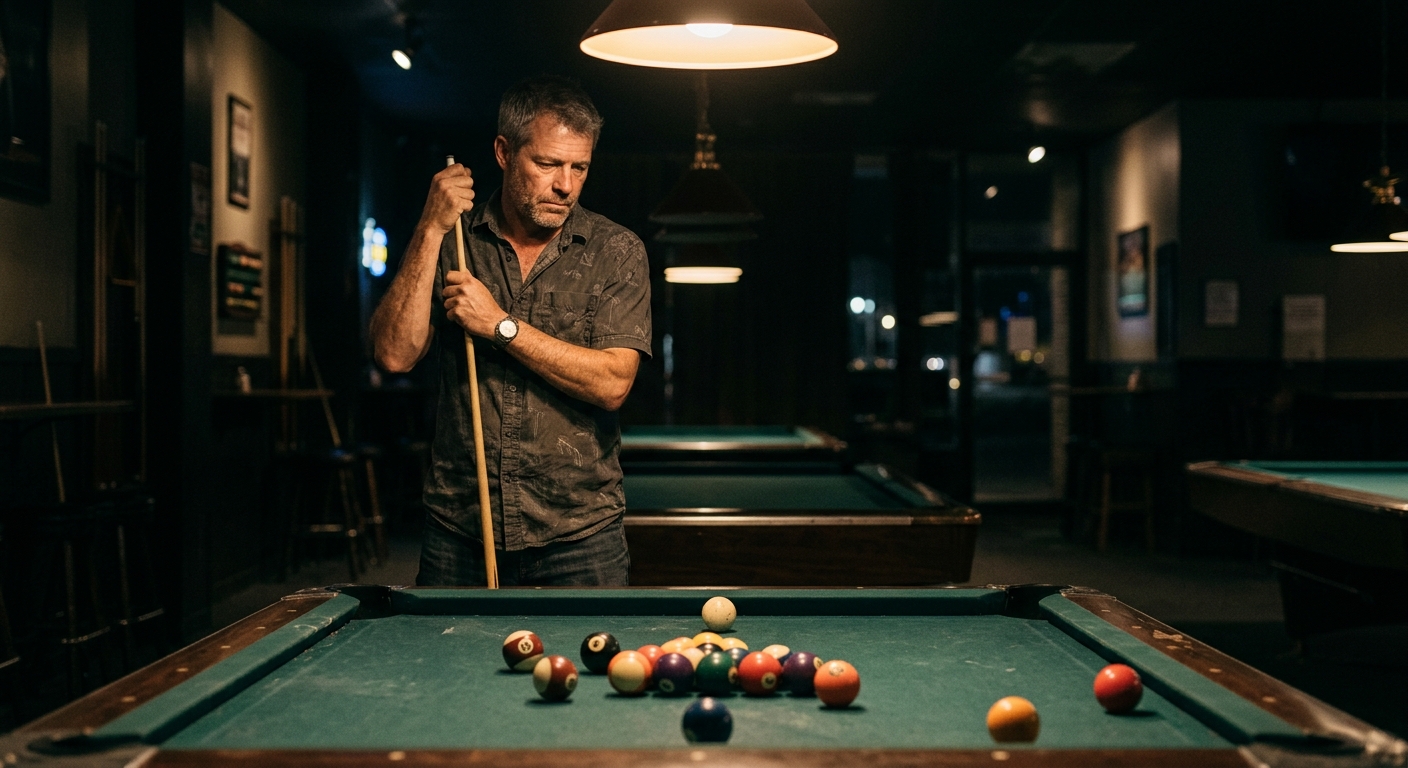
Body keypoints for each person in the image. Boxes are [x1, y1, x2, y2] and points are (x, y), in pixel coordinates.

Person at [370, 76, 651, 586]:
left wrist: (500, 326)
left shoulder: (617, 250)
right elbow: (393, 354)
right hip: (460, 531)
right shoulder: (456, 240)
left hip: (580, 538)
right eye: (547, 164)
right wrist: (429, 229)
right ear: (504, 151)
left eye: (579, 167)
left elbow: (613, 383)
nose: (565, 185)